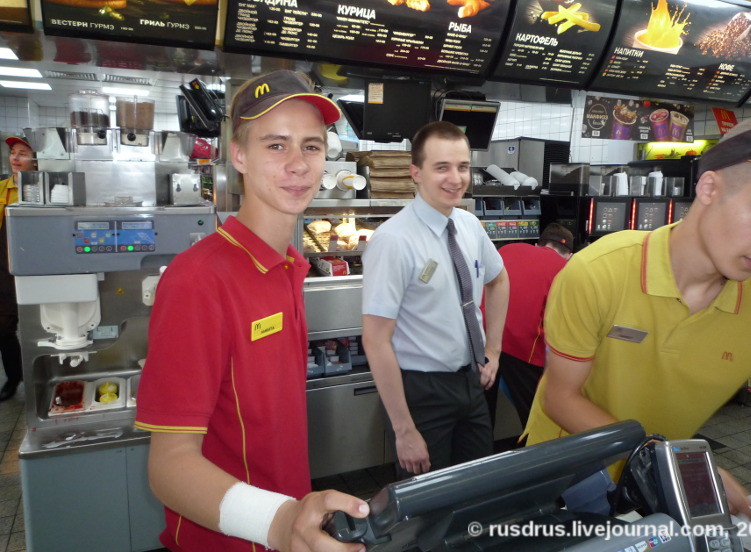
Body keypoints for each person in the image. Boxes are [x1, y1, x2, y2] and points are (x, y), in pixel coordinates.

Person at [134, 71, 368, 552]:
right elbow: (168, 465)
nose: (299, 165)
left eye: (312, 146)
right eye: (276, 145)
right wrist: (281, 523)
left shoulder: (289, 265)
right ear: (239, 155)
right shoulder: (199, 280)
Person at [521, 115, 751, 518]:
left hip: (655, 491)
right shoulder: (600, 270)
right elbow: (560, 397)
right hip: (561, 479)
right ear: (709, 187)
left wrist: (668, 467)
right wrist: (675, 463)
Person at [362, 121, 510, 478]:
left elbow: (499, 280)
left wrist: (494, 350)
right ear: (416, 173)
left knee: (474, 488)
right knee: (426, 508)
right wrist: (404, 430)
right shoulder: (393, 240)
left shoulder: (469, 225)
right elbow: (375, 340)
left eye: (462, 167)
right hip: (421, 392)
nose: (455, 178)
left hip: (472, 382)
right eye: (441, 167)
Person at [483, 222, 573, 430]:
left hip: (483, 337)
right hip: (523, 348)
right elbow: (560, 322)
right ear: (569, 254)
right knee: (533, 415)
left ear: (537, 244)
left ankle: (482, 459)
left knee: (481, 415)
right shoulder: (566, 269)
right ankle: (537, 456)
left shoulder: (508, 249)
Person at [0, 136, 36, 402]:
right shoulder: (2, 189)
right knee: (4, 326)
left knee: (38, 325)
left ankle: (39, 378)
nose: (15, 157)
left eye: (22, 152)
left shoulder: (46, 188)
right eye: (13, 152)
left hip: (35, 266)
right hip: (4, 267)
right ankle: (13, 379)